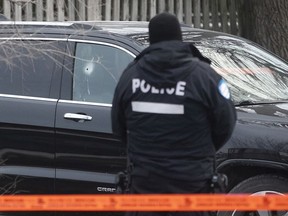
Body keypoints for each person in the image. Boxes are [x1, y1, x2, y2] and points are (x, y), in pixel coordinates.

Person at [111, 12, 237, 216]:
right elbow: (226, 124)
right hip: (193, 187)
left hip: (144, 187)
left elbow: (118, 127)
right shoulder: (205, 77)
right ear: (179, 37)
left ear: (151, 40)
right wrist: (200, 152)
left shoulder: (130, 76)